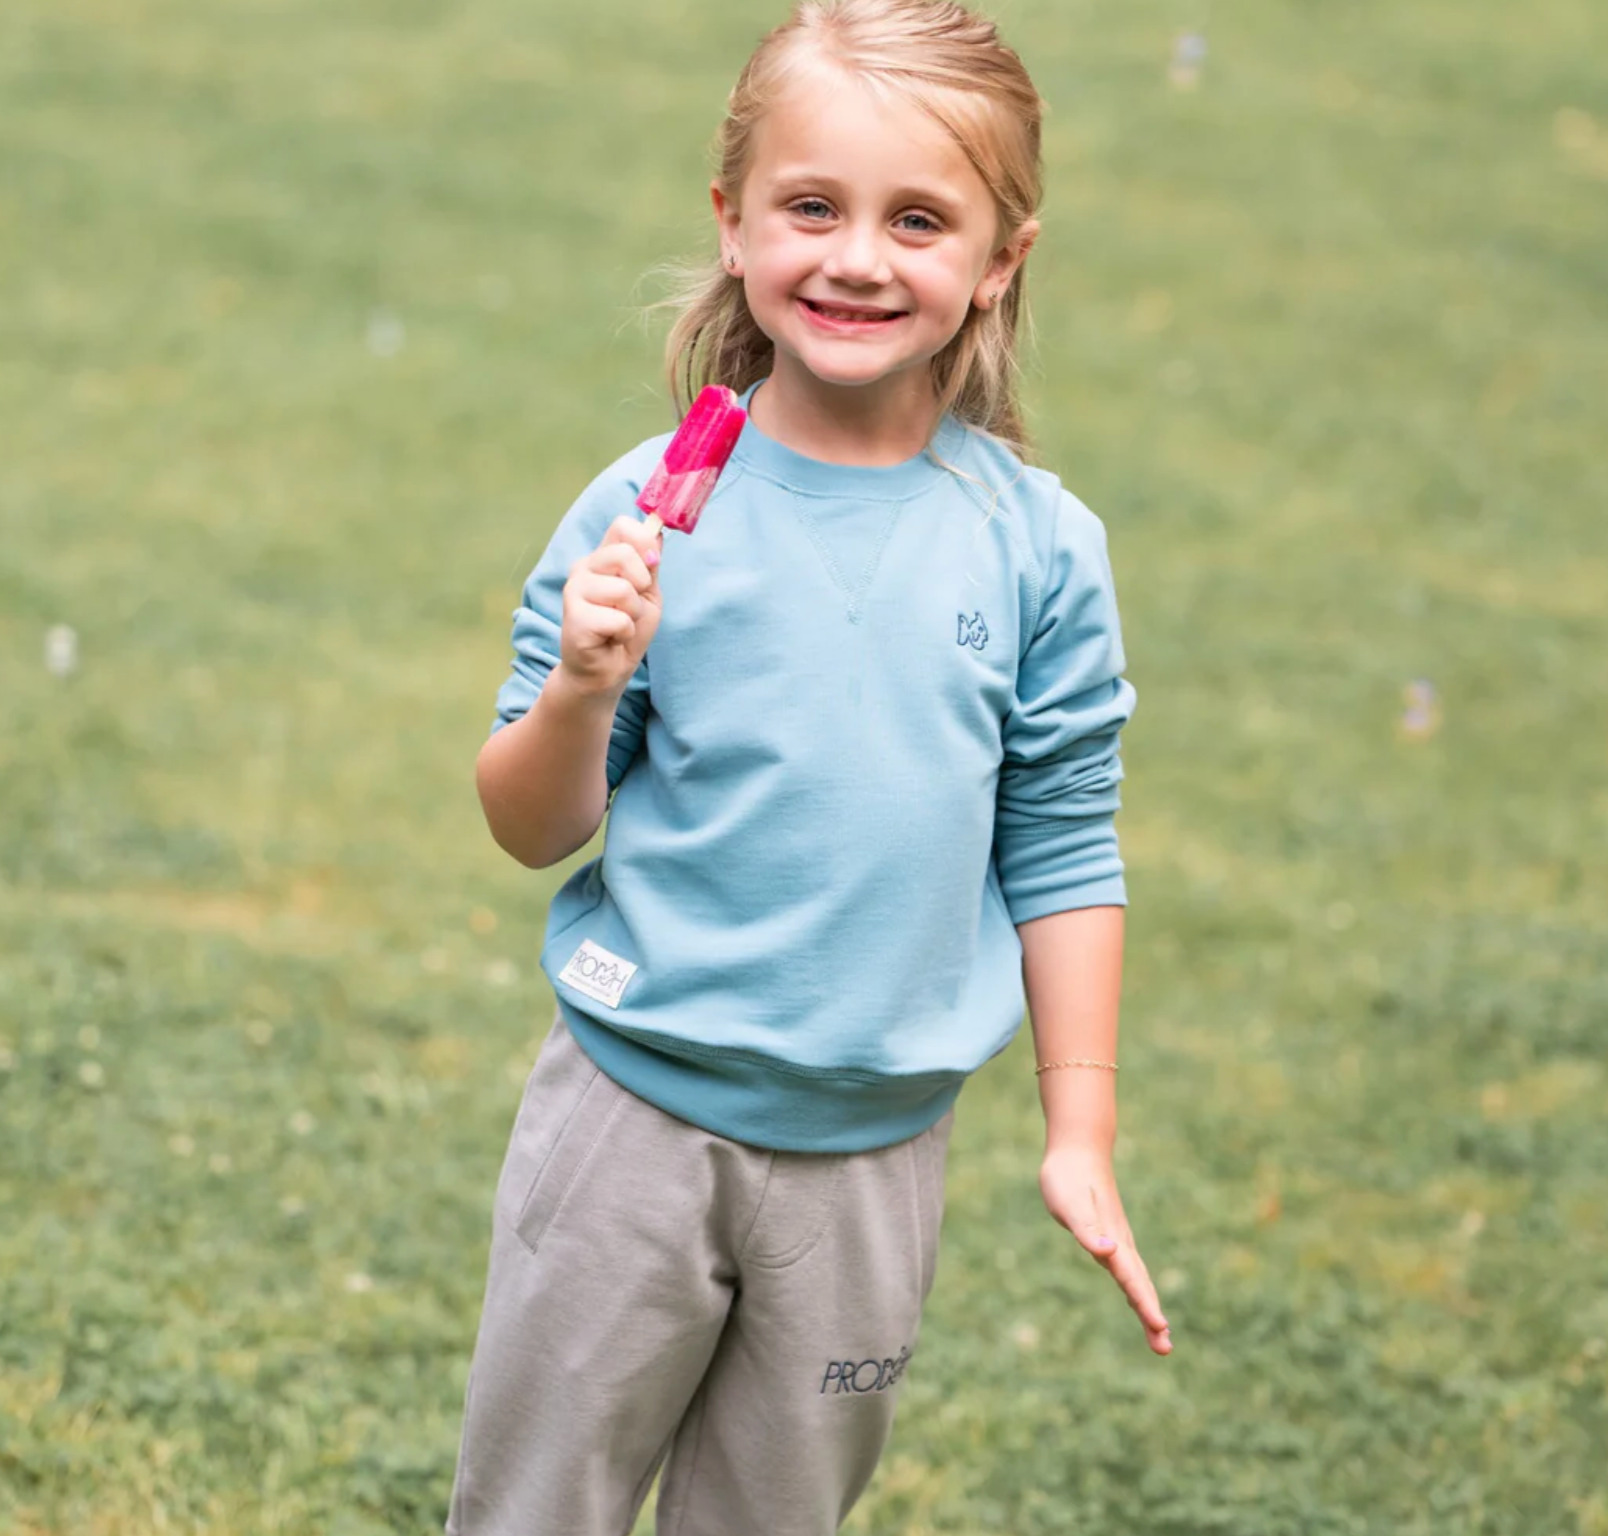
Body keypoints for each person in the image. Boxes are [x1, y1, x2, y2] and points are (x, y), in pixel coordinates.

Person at [447, 2, 1169, 1532]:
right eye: (812, 208)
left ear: (999, 261)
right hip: (630, 1123)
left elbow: (1061, 845)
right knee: (537, 1506)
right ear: (732, 225)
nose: (856, 257)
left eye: (919, 220)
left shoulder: (1039, 549)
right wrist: (584, 688)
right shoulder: (646, 512)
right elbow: (527, 824)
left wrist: (1080, 1129)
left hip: (868, 1162)